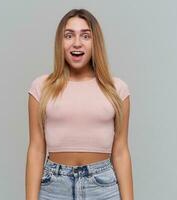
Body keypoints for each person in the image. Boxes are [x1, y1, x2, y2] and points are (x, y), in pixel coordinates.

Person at [25, 8, 134, 200]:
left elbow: (121, 151)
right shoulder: (41, 87)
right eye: (69, 35)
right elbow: (36, 148)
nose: (77, 43)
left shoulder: (117, 89)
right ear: (60, 42)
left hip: (103, 187)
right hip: (53, 188)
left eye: (85, 36)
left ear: (95, 43)